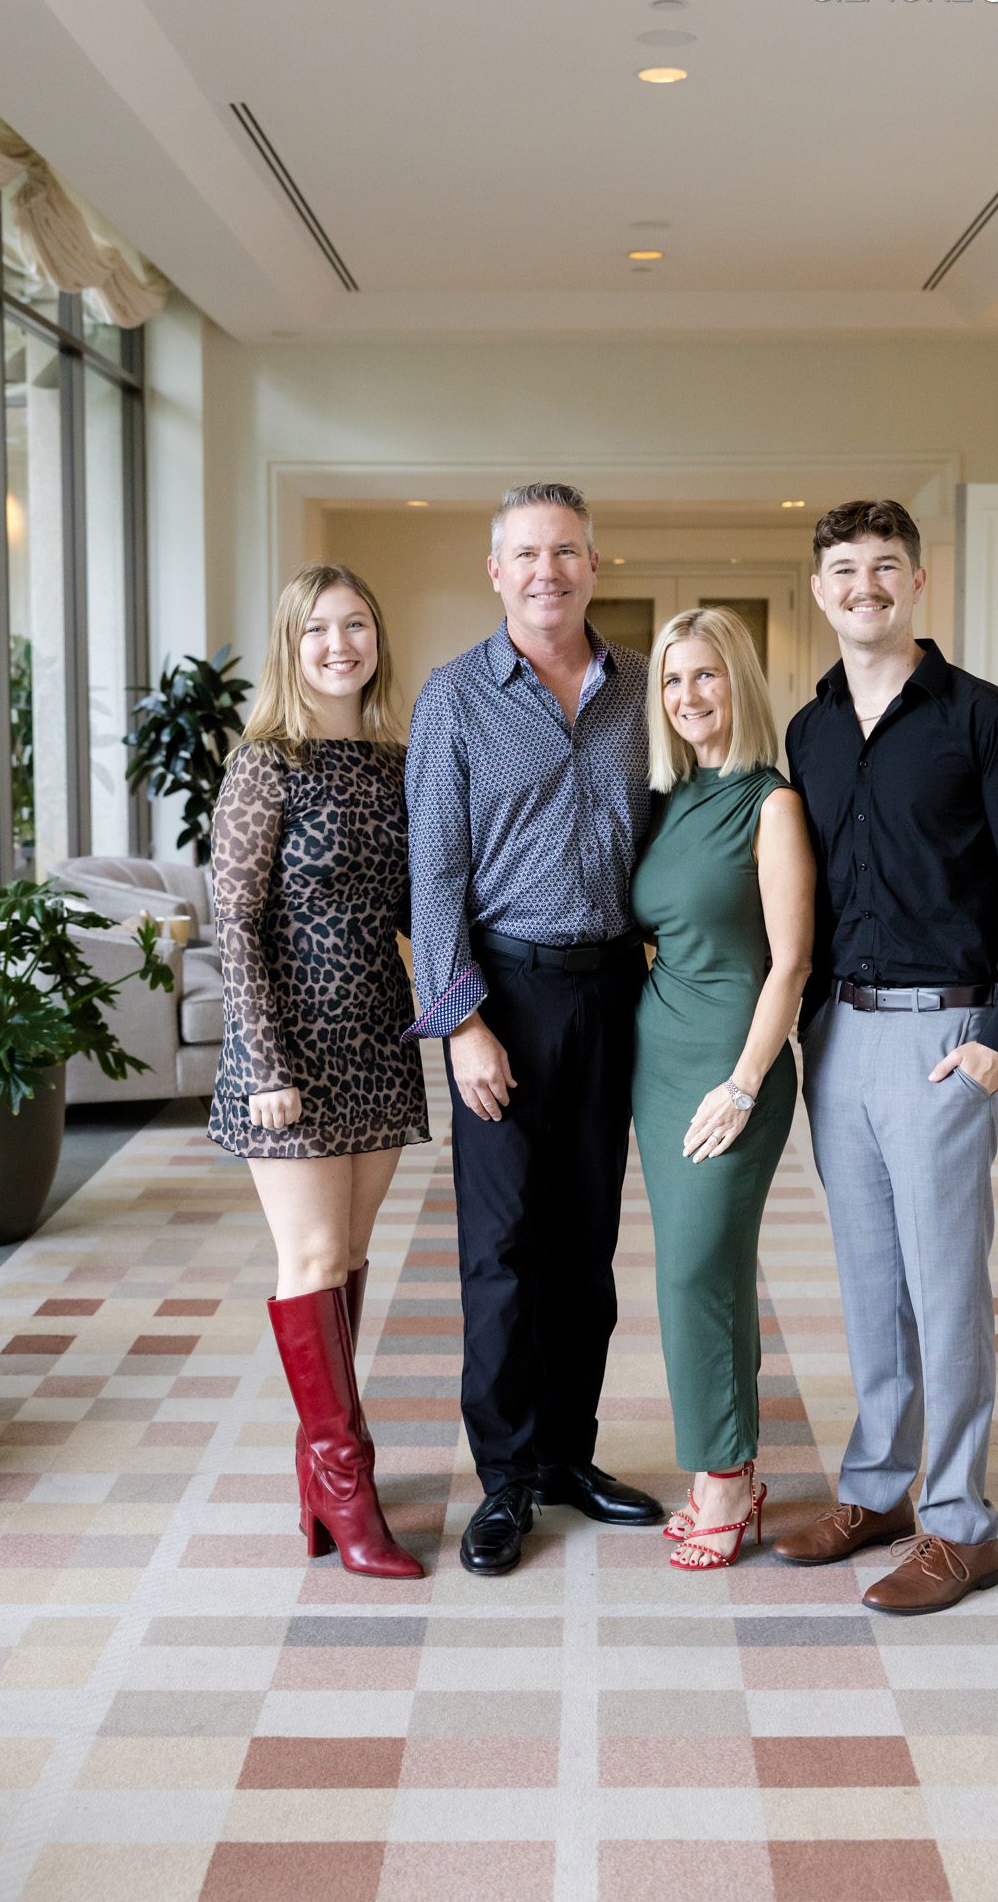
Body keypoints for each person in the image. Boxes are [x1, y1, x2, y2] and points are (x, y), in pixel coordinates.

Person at [773, 499, 998, 1613]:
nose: (864, 586)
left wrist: (997, 1042)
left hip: (948, 1033)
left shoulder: (987, 719)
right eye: (843, 569)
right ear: (819, 590)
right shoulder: (809, 731)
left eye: (884, 566)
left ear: (919, 581)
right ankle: (880, 1487)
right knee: (867, 1284)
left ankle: (960, 1524)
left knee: (947, 1288)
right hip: (839, 1034)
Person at [405, 482, 663, 1576]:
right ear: (497, 571)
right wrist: (464, 1024)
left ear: (594, 565)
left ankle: (567, 1454)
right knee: (503, 1254)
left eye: (566, 550)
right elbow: (433, 878)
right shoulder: (456, 696)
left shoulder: (642, 692)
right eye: (527, 553)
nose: (548, 569)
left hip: (612, 996)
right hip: (502, 997)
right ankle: (506, 1476)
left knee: (588, 1250)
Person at [208, 562, 428, 1579]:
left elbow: (412, 914)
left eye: (357, 625)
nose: (341, 644)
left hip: (377, 1040)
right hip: (289, 1050)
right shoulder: (266, 763)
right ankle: (348, 1482)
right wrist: (263, 1060)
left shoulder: (392, 762)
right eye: (319, 631)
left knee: (344, 1258)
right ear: (291, 648)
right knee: (309, 1257)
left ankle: (318, 1481)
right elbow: (235, 922)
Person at [631, 609, 815, 1571]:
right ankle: (737, 1471)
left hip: (732, 1064)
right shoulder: (668, 796)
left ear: (738, 683)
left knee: (692, 1269)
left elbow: (789, 964)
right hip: (657, 1060)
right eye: (672, 681)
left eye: (705, 677)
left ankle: (718, 1479)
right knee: (708, 1269)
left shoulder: (770, 802)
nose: (688, 697)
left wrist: (744, 1084)